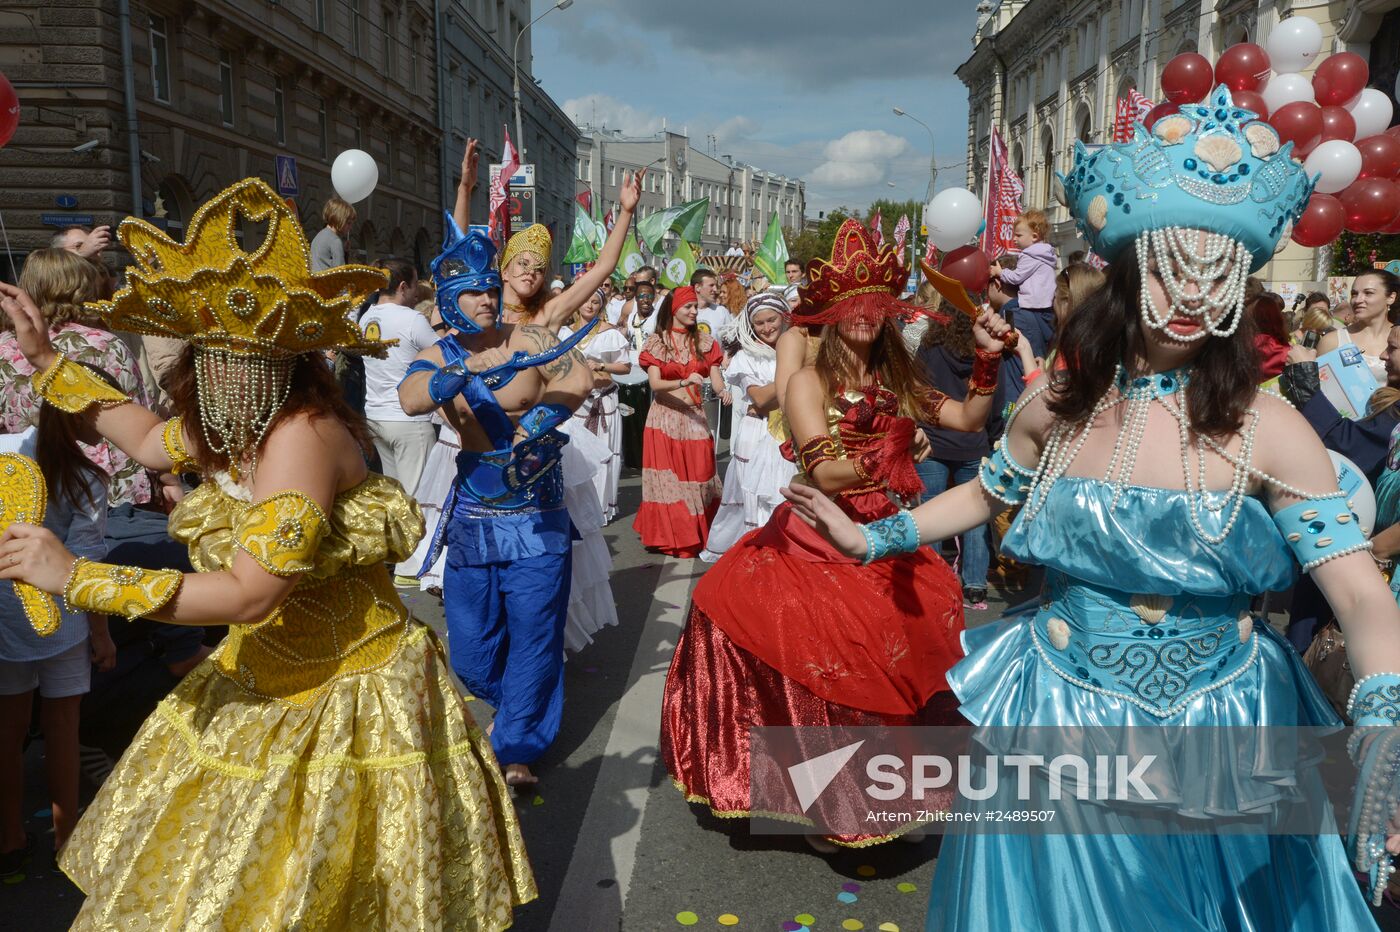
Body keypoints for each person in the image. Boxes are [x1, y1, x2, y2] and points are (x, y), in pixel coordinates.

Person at [783, 88, 1400, 929]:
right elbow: (983, 490)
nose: (1190, 290)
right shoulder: (1063, 401)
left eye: (1215, 268)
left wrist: (1384, 715)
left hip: (1224, 721)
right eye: (1172, 264)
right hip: (1063, 710)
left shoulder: (1270, 425)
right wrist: (870, 537)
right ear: (1127, 271)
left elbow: (1360, 592)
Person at [0, 178, 534, 929]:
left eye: (226, 360)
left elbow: (250, 594)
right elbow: (150, 441)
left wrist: (76, 576)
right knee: (227, 868)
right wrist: (49, 361)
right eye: (208, 356)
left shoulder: (297, 436)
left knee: (326, 881)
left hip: (348, 691)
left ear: (272, 362)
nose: (210, 378)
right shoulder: (242, 418)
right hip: (266, 671)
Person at [662, 219, 1011, 849]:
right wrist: (888, 453)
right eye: (852, 307)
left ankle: (893, 785)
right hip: (820, 529)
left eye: (875, 307)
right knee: (831, 658)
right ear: (830, 314)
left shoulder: (897, 379)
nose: (864, 318)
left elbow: (965, 416)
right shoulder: (807, 381)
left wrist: (986, 361)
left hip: (889, 531)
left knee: (912, 638)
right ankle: (833, 799)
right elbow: (821, 471)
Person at [399, 209, 596, 788]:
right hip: (476, 515)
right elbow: (412, 398)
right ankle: (516, 698)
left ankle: (517, 744)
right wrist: (458, 374)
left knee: (536, 630)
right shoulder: (440, 353)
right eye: (474, 293)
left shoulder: (531, 337)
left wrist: (536, 420)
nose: (487, 300)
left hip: (537, 514)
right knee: (471, 650)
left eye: (491, 290)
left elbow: (577, 379)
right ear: (450, 299)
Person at [0, 395, 114, 877]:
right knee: (64, 728)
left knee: (8, 731)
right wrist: (102, 635)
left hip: (6, 614)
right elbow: (86, 570)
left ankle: (9, 838)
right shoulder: (86, 479)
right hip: (64, 618)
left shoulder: (9, 452)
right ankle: (67, 840)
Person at [0, 248, 156, 507]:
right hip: (109, 490)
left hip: (33, 482)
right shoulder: (104, 344)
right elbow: (139, 410)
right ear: (82, 288)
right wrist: (163, 477)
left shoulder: (4, 347)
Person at [698, 293, 795, 561]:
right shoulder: (747, 356)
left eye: (772, 320)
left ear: (784, 318)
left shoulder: (799, 349)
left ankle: (784, 554)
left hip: (791, 431)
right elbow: (761, 399)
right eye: (759, 323)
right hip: (758, 431)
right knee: (755, 497)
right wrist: (797, 374)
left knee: (786, 493)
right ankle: (759, 555)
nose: (767, 328)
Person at [634, 287, 729, 557]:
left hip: (695, 419)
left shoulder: (706, 342)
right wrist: (684, 381)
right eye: (688, 307)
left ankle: (701, 533)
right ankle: (673, 537)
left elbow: (716, 378)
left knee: (701, 475)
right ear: (673, 308)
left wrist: (725, 391)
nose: (693, 312)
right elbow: (655, 384)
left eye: (695, 307)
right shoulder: (657, 342)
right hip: (664, 418)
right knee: (669, 483)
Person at [914, 302, 996, 610]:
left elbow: (919, 392)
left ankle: (933, 579)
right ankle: (974, 583)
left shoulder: (929, 349)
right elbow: (993, 394)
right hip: (973, 442)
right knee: (976, 515)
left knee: (932, 512)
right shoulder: (983, 351)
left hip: (934, 440)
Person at [359, 257, 438, 498]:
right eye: (414, 285)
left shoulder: (366, 318)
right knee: (418, 501)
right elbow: (446, 355)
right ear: (402, 287)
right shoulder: (411, 319)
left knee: (396, 500)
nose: (417, 293)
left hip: (376, 417)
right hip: (408, 421)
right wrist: (441, 324)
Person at [561, 289, 631, 523]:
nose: (589, 306)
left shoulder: (609, 333)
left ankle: (600, 508)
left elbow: (625, 367)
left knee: (603, 454)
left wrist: (602, 365)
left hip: (603, 399)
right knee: (576, 453)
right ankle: (576, 505)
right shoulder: (564, 332)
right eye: (586, 300)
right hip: (574, 401)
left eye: (595, 302)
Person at [990, 208, 1059, 359]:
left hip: (1032, 304)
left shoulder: (1029, 255)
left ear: (1034, 236)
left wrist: (999, 272)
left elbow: (1016, 277)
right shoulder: (1046, 254)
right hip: (1046, 304)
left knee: (1035, 340)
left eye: (1018, 235)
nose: (1014, 239)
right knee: (1048, 337)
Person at [1315, 269, 1400, 382]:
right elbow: (1317, 389)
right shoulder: (1332, 341)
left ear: (1391, 297)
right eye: (1354, 294)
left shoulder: (1398, 337)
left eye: (1368, 293)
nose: (1358, 300)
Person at [309, 195, 355, 272]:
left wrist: (345, 252)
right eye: (348, 223)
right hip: (328, 282)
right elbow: (341, 272)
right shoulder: (335, 240)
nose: (350, 227)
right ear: (339, 219)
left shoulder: (319, 235)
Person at [691, 269, 729, 340]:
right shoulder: (685, 312)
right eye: (711, 285)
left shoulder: (721, 312)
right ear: (698, 287)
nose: (715, 289)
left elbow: (731, 343)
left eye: (716, 285)